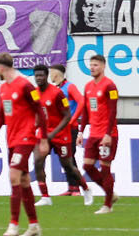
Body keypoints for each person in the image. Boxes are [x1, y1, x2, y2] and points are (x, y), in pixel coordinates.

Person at [0, 52, 45, 236]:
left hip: (25, 138)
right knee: (24, 180)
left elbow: (40, 111)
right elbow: (2, 116)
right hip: (11, 140)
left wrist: (42, 138)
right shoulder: (3, 88)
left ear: (2, 68)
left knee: (13, 177)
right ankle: (34, 225)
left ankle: (13, 225)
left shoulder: (26, 85)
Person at [32, 64, 89, 207]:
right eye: (37, 75)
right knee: (38, 161)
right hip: (45, 134)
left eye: (45, 74)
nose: (40, 78)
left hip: (63, 131)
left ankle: (82, 188)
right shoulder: (36, 92)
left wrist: (72, 121)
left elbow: (80, 103)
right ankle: (46, 195)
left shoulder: (63, 90)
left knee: (68, 164)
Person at [80, 51, 120, 215]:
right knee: (87, 166)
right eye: (91, 65)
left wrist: (108, 134)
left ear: (103, 66)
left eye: (95, 65)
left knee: (105, 169)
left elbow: (113, 111)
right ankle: (111, 194)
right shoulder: (88, 87)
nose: (92, 68)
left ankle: (107, 205)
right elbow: (86, 110)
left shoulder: (110, 86)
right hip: (93, 133)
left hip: (107, 134)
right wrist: (81, 131)